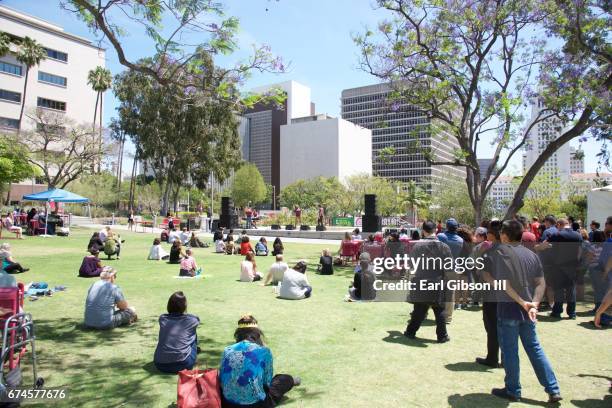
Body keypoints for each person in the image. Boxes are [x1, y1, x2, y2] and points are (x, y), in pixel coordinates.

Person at [491, 220, 562, 403]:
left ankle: (513, 390)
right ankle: (553, 388)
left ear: (505, 235)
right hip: (527, 310)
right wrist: (534, 303)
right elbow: (541, 283)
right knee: (534, 348)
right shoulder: (532, 255)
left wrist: (524, 303)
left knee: (510, 351)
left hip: (509, 309)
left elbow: (504, 285)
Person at [219, 315, 299, 407]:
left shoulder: (227, 350)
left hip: (227, 403)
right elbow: (267, 382)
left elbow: (222, 379)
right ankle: (291, 380)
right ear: (256, 335)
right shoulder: (264, 351)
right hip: (256, 404)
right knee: (283, 379)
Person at [404, 221, 452, 343]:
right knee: (439, 309)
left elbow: (411, 264)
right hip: (438, 281)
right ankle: (442, 336)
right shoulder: (444, 247)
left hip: (421, 281)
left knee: (419, 309)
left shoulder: (418, 246)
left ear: (423, 231)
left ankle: (410, 332)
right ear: (435, 230)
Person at [475, 220, 502, 368]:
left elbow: (484, 273)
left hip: (492, 294)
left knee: (491, 326)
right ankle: (506, 359)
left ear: (491, 235)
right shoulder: (512, 250)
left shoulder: (490, 252)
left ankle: (492, 358)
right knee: (506, 328)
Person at [154, 291, 200, 373]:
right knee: (192, 333)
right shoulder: (192, 320)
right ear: (184, 306)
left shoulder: (162, 318)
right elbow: (196, 319)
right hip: (183, 364)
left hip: (159, 363)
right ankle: (195, 350)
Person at [547, 218, 582, 319]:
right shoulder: (578, 235)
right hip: (573, 266)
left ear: (558, 224)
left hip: (558, 266)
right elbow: (580, 251)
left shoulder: (557, 235)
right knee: (571, 290)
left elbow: (546, 245)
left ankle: (557, 312)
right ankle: (572, 313)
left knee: (559, 289)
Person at [437, 218, 464, 323]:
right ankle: (448, 317)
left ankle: (434, 313)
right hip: (454, 269)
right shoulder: (460, 240)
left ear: (447, 226)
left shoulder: (441, 236)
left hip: (441, 268)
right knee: (450, 293)